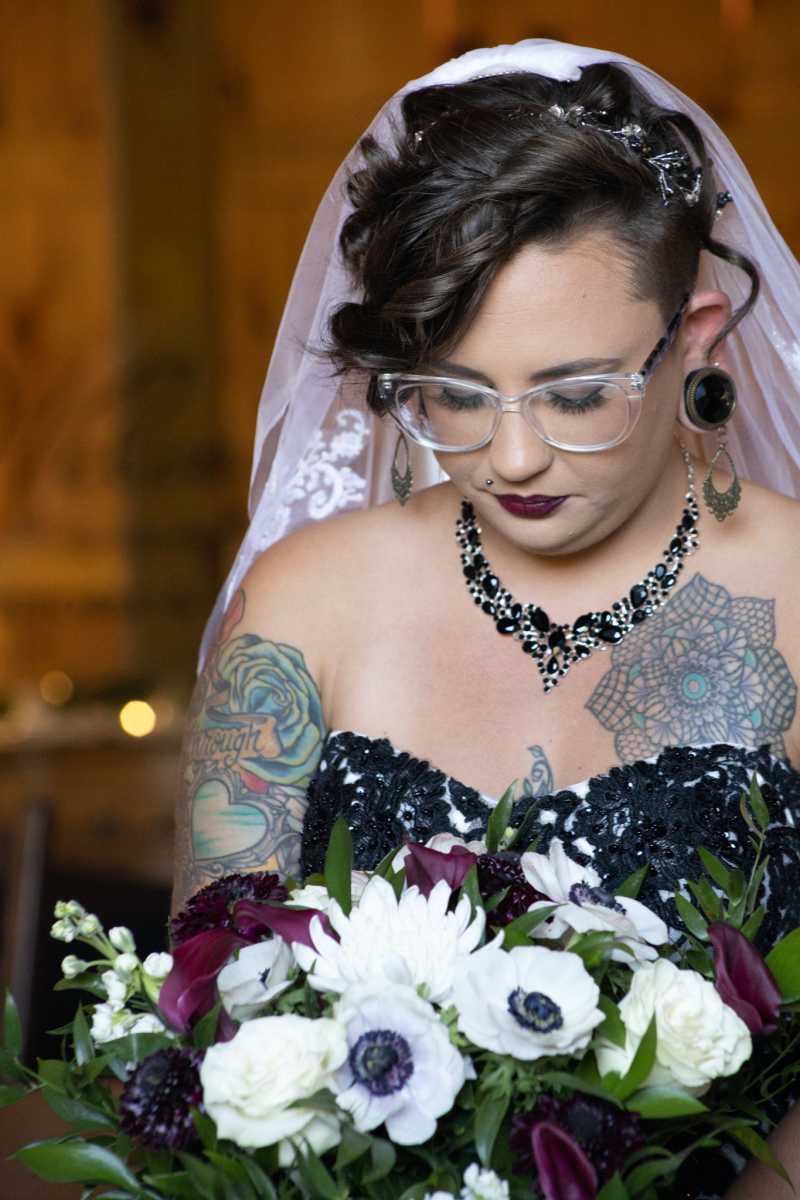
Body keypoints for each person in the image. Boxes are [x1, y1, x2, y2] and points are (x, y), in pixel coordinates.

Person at [173, 39, 800, 1198]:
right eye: (454, 395)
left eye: (576, 393)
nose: (511, 458)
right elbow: (210, 1021)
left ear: (696, 338)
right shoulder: (302, 609)